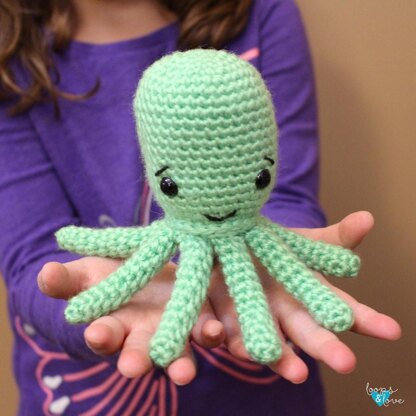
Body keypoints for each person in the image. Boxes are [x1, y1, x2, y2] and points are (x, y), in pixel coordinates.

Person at [0, 0, 401, 414]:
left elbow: (288, 195)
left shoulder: (263, 12)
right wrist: (83, 299)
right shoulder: (9, 56)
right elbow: (32, 254)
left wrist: (275, 264)